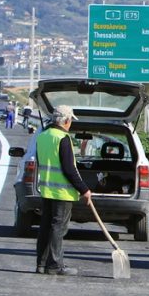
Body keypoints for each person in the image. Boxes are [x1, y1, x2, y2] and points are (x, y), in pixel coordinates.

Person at [35, 105, 92, 276]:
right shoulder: (63, 138)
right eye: (71, 121)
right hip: (62, 192)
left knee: (46, 227)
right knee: (58, 228)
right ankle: (55, 265)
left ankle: (42, 264)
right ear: (66, 121)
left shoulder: (43, 136)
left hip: (46, 190)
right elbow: (69, 169)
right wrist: (84, 189)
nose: (71, 124)